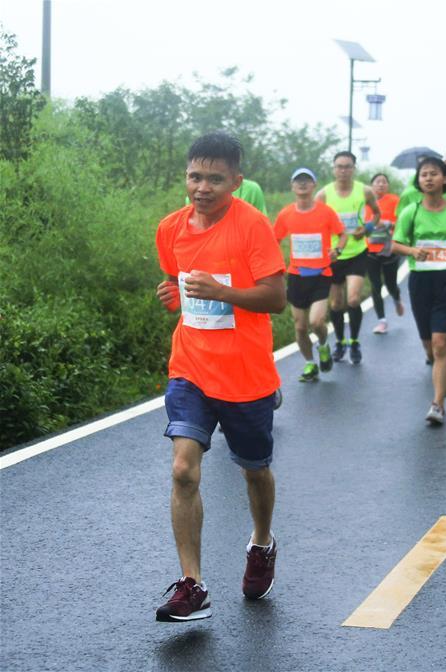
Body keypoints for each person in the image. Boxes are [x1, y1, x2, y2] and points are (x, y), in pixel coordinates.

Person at [154, 132, 285, 622]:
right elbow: (178, 280)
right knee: (183, 468)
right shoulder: (170, 228)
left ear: (235, 180)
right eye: (194, 176)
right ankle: (193, 585)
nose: (202, 186)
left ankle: (262, 542)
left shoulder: (252, 227)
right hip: (190, 365)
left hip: (246, 374)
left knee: (254, 470)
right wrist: (175, 295)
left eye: (214, 178)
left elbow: (275, 298)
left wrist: (219, 292)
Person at [391, 157, 446, 425]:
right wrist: (413, 251)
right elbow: (396, 244)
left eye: (434, 174)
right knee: (430, 348)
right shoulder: (412, 211)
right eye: (424, 175)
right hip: (421, 281)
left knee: (441, 343)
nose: (429, 178)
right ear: (418, 181)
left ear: (445, 179)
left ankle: (438, 404)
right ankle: (443, 378)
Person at [273, 168, 346, 381]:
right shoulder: (286, 214)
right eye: (298, 181)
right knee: (300, 326)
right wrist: (275, 264)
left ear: (314, 185)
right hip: (296, 276)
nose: (302, 184)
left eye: (307, 180)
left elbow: (342, 235)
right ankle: (310, 364)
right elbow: (273, 240)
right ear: (292, 186)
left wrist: (338, 250)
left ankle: (323, 345)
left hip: (322, 273)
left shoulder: (326, 212)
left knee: (316, 321)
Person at [316, 151, 381, 364]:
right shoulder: (324, 195)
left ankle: (354, 341)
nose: (343, 170)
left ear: (354, 168)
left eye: (347, 166)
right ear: (333, 169)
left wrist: (368, 228)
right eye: (339, 166)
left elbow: (377, 214)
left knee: (353, 298)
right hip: (334, 256)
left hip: (357, 252)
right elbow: (313, 221)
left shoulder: (365, 191)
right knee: (335, 304)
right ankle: (340, 341)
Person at [365, 173, 405, 334]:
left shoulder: (395, 200)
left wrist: (386, 224)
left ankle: (396, 298)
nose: (380, 184)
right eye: (377, 182)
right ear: (371, 185)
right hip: (370, 250)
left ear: (387, 186)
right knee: (375, 286)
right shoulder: (365, 203)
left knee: (391, 284)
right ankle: (382, 321)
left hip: (389, 249)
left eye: (384, 182)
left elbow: (401, 223)